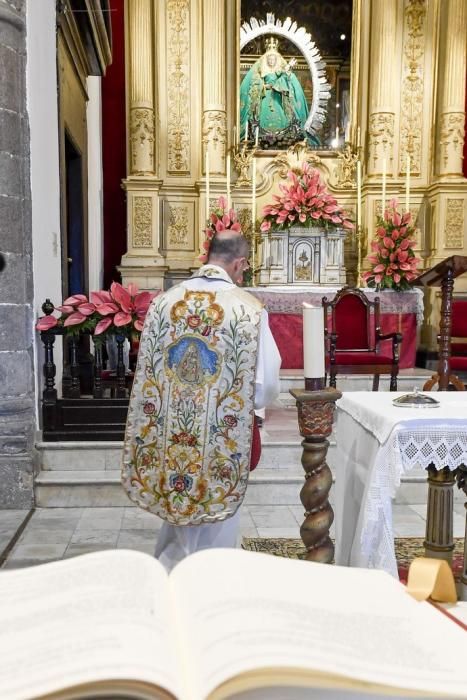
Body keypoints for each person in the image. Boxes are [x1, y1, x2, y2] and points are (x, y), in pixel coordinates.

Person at [122, 230, 281, 570]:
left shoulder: (164, 301)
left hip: (170, 431)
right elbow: (265, 385)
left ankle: (168, 576)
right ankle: (207, 588)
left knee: (175, 509)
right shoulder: (247, 309)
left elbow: (148, 371)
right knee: (216, 519)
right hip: (221, 433)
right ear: (239, 263)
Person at [240, 36, 319, 146]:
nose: (271, 61)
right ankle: (259, 135)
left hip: (278, 98)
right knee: (259, 120)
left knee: (285, 119)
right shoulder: (261, 72)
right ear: (266, 60)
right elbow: (255, 84)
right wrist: (263, 87)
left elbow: (284, 76)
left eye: (273, 59)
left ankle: (284, 135)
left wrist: (288, 69)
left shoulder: (280, 72)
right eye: (269, 59)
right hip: (265, 97)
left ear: (276, 60)